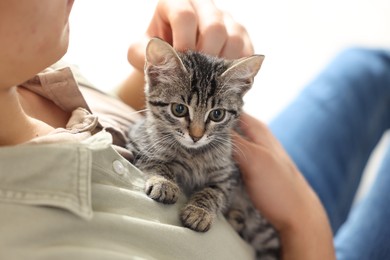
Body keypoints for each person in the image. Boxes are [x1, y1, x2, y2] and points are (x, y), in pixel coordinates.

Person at [5, 0, 387, 259]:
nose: (198, 131)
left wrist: (156, 71)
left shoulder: (27, 75)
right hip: (297, 238)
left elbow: (128, 117)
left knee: (367, 69)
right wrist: (302, 215)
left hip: (259, 175)